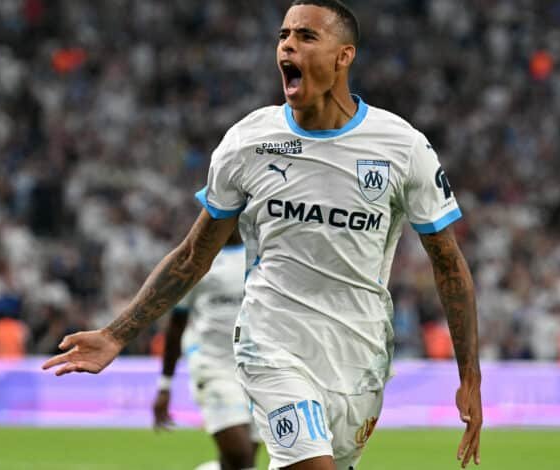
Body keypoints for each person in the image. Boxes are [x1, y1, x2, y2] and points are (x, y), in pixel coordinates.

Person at [43, 1, 483, 468]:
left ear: (344, 56)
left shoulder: (402, 147)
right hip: (271, 345)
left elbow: (448, 263)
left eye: (306, 36)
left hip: (360, 355)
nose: (288, 45)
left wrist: (469, 376)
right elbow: (194, 254)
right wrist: (117, 334)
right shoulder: (248, 142)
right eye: (283, 35)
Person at [153, 230, 259, 470]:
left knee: (240, 461)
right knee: (241, 458)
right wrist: (165, 386)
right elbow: (176, 325)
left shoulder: (260, 253)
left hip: (254, 367)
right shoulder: (196, 261)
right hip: (212, 366)